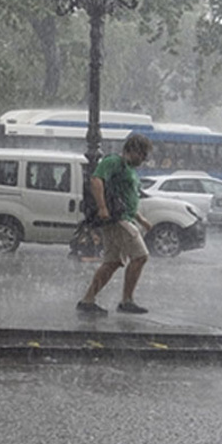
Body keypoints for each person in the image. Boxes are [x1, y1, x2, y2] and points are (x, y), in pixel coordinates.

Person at [77, 132, 154, 316]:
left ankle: (87, 300)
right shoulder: (113, 161)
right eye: (142, 155)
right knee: (140, 256)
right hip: (117, 220)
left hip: (122, 218)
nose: (144, 160)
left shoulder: (129, 169)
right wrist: (102, 207)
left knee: (112, 262)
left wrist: (141, 219)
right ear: (133, 150)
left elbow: (124, 198)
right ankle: (126, 301)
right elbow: (96, 180)